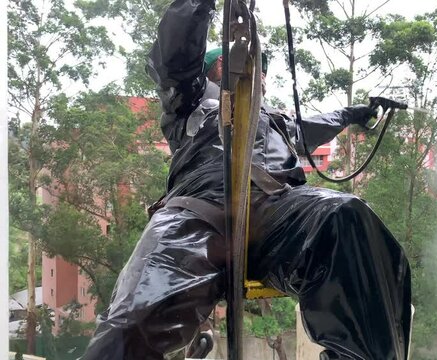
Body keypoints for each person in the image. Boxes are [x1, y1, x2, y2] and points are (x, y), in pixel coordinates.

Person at [79, 0, 412, 359]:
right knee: (134, 320)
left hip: (277, 211)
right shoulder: (189, 103)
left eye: (261, 68)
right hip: (198, 211)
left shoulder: (276, 122)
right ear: (212, 70)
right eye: (229, 61)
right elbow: (174, 56)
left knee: (347, 218)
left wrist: (357, 113)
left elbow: (319, 124)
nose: (257, 72)